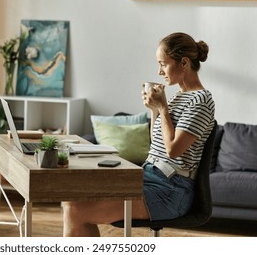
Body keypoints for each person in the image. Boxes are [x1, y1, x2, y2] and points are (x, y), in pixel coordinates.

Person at [62, 32, 215, 237]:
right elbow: (157, 145)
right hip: (148, 176)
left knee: (76, 211)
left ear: (184, 62)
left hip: (171, 190)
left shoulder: (201, 100)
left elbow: (173, 150)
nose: (160, 71)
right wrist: (154, 110)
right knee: (72, 201)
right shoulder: (179, 96)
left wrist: (163, 110)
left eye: (163, 64)